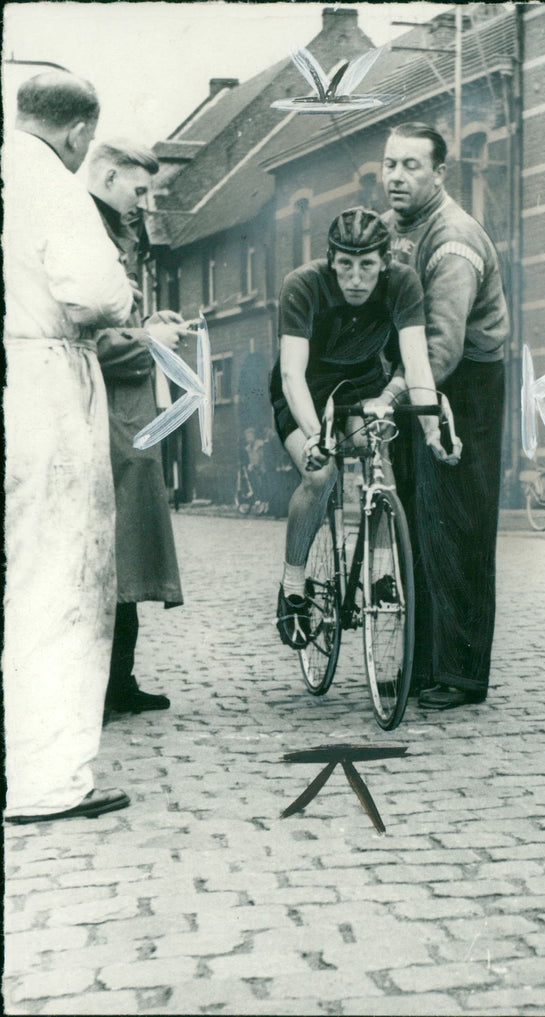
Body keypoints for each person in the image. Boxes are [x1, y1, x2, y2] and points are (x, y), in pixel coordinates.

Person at [3, 72, 133, 823]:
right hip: (42, 380)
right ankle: (47, 778)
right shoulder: (53, 185)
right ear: (81, 134)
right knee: (57, 578)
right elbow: (93, 291)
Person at [270, 206, 451, 648]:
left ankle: (383, 571)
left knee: (378, 456)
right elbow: (292, 373)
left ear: (384, 261)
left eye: (366, 265)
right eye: (345, 264)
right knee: (321, 474)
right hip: (305, 392)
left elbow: (415, 360)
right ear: (331, 259)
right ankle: (293, 586)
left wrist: (431, 429)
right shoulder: (303, 285)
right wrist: (315, 436)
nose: (355, 277)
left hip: (362, 386)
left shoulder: (403, 282)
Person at [382, 122, 510, 710]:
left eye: (411, 166)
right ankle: (422, 664)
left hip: (464, 389)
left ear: (439, 174)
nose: (396, 177)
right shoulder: (393, 231)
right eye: (390, 165)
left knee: (454, 528)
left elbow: (440, 345)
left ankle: (459, 674)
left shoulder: (454, 238)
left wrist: (391, 393)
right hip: (417, 386)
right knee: (413, 527)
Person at [87, 140, 192, 717]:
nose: (144, 205)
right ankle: (102, 686)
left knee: (124, 552)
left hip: (126, 418)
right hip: (106, 418)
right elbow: (89, 342)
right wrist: (149, 341)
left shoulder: (111, 236)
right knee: (110, 551)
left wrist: (146, 326)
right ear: (106, 176)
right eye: (138, 190)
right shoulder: (88, 235)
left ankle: (118, 682)